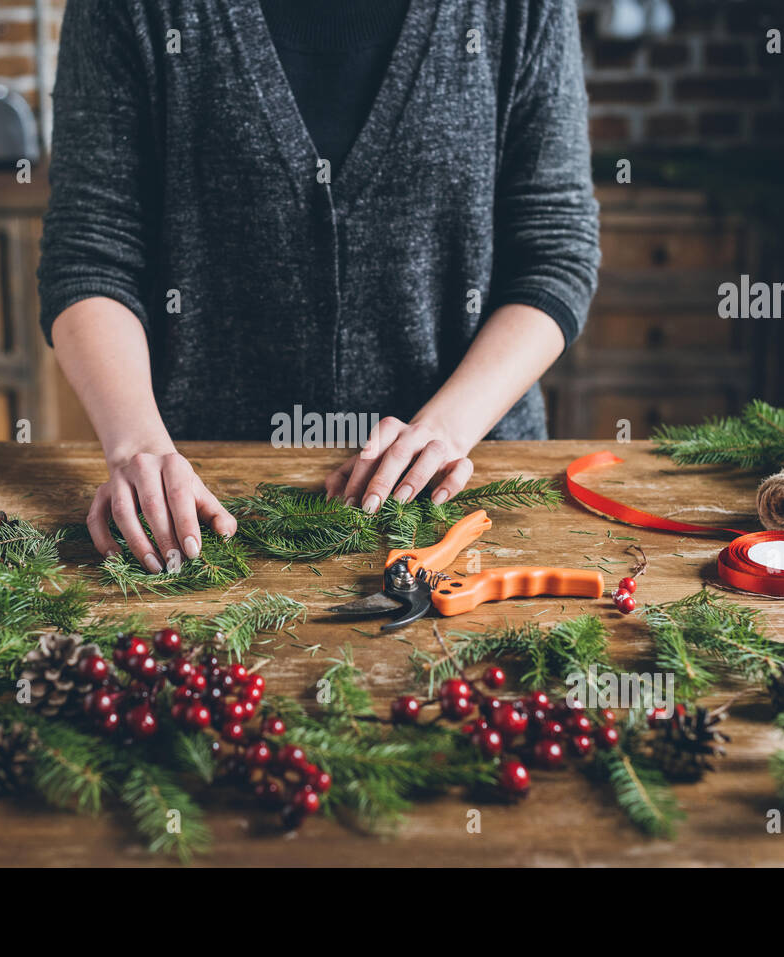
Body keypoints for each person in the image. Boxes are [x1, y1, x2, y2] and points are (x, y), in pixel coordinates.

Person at [38, 0, 600, 572]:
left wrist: (446, 429)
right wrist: (136, 445)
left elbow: (555, 253)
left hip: (468, 499)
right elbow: (91, 252)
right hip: (204, 511)